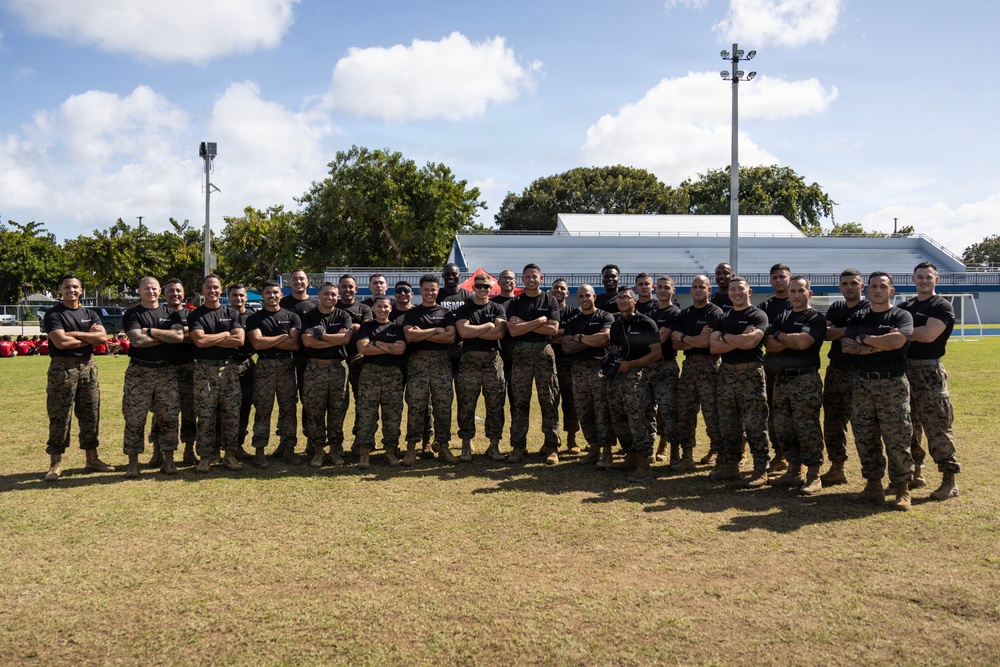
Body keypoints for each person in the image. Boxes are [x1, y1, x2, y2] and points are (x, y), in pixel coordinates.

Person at [842, 271, 915, 510]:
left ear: (891, 291)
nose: (877, 290)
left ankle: (902, 489)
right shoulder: (859, 316)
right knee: (865, 437)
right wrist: (880, 342)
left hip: (892, 384)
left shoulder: (901, 315)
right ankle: (873, 487)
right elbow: (847, 347)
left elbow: (897, 343)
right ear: (867, 290)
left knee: (897, 437)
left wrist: (864, 338)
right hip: (863, 384)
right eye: (872, 286)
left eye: (882, 286)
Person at [41, 273, 115, 481]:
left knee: (91, 414)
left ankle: (92, 459)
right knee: (59, 415)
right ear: (61, 290)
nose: (71, 290)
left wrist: (73, 334)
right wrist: (87, 338)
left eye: (75, 287)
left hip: (88, 367)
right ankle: (55, 463)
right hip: (62, 369)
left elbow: (102, 338)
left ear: (81, 290)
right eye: (67, 287)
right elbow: (61, 343)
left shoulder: (90, 314)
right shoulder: (54, 315)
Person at [898, 262, 961, 500]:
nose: (924, 281)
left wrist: (900, 332)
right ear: (913, 280)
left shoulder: (940, 305)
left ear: (937, 280)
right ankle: (917, 471)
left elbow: (928, 335)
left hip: (928, 373)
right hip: (904, 372)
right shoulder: (906, 306)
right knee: (908, 426)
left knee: (937, 426)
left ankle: (949, 480)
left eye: (928, 277)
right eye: (920, 277)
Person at [764, 276, 826, 495]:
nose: (796, 295)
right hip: (782, 379)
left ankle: (814, 475)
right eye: (793, 291)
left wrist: (780, 335)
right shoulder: (783, 315)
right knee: (783, 426)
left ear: (809, 293)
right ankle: (793, 469)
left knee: (807, 428)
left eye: (801, 290)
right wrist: (786, 339)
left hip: (805, 380)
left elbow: (802, 343)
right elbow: (770, 346)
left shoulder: (815, 317)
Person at [709, 276, 770, 487]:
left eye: (740, 289)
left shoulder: (758, 315)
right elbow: (713, 348)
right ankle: (732, 466)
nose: (736, 293)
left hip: (750, 374)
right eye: (732, 289)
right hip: (726, 374)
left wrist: (725, 337)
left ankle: (761, 469)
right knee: (729, 424)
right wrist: (736, 338)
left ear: (749, 292)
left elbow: (752, 342)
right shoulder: (723, 317)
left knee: (755, 424)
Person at [121, 277, 184, 478]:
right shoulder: (132, 314)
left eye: (154, 288)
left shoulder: (171, 313)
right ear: (139, 290)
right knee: (134, 418)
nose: (151, 291)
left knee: (169, 417)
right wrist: (166, 337)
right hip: (139, 373)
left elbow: (179, 337)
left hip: (166, 372)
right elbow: (137, 341)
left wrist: (149, 331)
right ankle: (133, 462)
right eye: (146, 288)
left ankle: (169, 460)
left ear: (160, 291)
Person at [188, 274, 246, 474]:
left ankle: (229, 455)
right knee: (205, 414)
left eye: (216, 287)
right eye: (209, 287)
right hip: (205, 369)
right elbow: (200, 342)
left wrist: (212, 338)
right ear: (203, 290)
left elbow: (239, 340)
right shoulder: (196, 315)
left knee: (231, 413)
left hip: (229, 369)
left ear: (221, 290)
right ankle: (205, 457)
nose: (213, 291)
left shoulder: (231, 313)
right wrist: (224, 334)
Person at [505, 263, 561, 464]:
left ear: (541, 278)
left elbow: (553, 329)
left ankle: (551, 446)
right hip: (521, 354)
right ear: (522, 279)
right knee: (520, 401)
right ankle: (518, 447)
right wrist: (539, 322)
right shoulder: (516, 301)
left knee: (549, 400)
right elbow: (513, 331)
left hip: (544, 353)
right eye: (527, 276)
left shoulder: (550, 300)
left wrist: (524, 325)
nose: (531, 279)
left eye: (534, 276)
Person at [605, 288, 661, 482]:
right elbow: (615, 349)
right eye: (619, 298)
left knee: (637, 419)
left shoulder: (646, 323)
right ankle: (631, 455)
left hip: (638, 375)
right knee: (618, 416)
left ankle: (645, 464)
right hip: (618, 376)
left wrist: (632, 364)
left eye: (626, 297)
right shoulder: (616, 324)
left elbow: (656, 353)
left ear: (634, 300)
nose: (622, 300)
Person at [821, 269, 870, 485]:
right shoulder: (836, 307)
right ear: (840, 287)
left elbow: (866, 337)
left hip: (860, 373)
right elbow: (826, 334)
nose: (849, 287)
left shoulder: (869, 308)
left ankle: (871, 473)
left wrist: (844, 332)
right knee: (832, 422)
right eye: (845, 283)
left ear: (862, 285)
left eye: (853, 283)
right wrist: (851, 331)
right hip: (835, 371)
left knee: (863, 424)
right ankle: (837, 467)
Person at [403, 274, 458, 462]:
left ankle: (443, 446)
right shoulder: (412, 313)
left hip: (441, 363)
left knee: (443, 407)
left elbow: (450, 337)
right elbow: (409, 336)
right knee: (416, 406)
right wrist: (436, 330)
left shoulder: (446, 313)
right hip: (418, 363)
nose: (430, 292)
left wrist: (422, 333)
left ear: (438, 290)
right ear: (420, 291)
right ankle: (411, 447)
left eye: (433, 289)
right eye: (426, 289)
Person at [671, 275, 725, 466]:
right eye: (695, 287)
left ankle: (716, 450)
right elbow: (675, 345)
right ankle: (687, 455)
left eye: (702, 286)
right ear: (690, 290)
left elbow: (707, 343)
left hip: (710, 366)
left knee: (712, 413)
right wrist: (694, 340)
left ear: (709, 290)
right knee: (685, 412)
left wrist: (685, 337)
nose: (698, 290)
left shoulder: (715, 313)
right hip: (689, 366)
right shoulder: (684, 314)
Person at [247, 281, 302, 467]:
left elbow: (295, 344)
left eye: (275, 292)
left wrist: (268, 340)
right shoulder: (254, 318)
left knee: (289, 410)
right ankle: (260, 451)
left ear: (281, 295)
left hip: (287, 365)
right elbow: (258, 345)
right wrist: (281, 337)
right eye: (268, 292)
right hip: (264, 366)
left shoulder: (292, 316)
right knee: (263, 409)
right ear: (263, 295)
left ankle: (289, 449)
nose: (272, 296)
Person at [454, 274, 508, 461]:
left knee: (495, 405)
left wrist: (475, 331)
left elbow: (500, 332)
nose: (483, 289)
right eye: (479, 286)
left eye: (486, 286)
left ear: (490, 288)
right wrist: (487, 326)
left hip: (492, 362)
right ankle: (466, 445)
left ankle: (494, 446)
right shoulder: (464, 308)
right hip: (469, 362)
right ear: (473, 288)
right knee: (467, 405)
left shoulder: (497, 307)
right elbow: (463, 332)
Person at [300, 282, 353, 467]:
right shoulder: (310, 316)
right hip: (315, 369)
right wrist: (334, 340)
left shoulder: (343, 315)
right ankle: (319, 451)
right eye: (326, 294)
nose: (330, 297)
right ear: (319, 295)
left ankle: (334, 450)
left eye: (333, 294)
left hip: (338, 369)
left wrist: (321, 337)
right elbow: (307, 342)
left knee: (338, 411)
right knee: (315, 411)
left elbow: (345, 338)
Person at [561, 284, 614, 466]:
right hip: (579, 370)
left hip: (599, 370)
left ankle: (607, 451)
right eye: (581, 296)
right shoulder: (573, 320)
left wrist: (580, 337)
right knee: (584, 412)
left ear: (594, 297)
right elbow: (566, 347)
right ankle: (593, 448)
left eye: (588, 295)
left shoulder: (605, 316)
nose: (584, 299)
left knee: (602, 412)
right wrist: (592, 339)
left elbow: (605, 338)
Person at [355, 295, 408, 467]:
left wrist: (376, 343)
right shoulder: (366, 327)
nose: (382, 309)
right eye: (379, 306)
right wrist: (388, 348)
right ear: (373, 308)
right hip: (370, 374)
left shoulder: (397, 327)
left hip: (393, 375)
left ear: (390, 308)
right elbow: (363, 348)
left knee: (392, 415)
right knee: (366, 415)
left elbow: (400, 349)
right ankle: (364, 453)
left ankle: (390, 452)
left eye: (386, 307)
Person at [279, 268, 318, 457]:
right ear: (290, 282)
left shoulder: (316, 304)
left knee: (309, 401)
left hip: (310, 359)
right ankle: (284, 442)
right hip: (286, 358)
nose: (298, 282)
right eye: (294, 279)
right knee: (286, 402)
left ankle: (311, 439)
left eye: (301, 278)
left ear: (307, 282)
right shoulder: (282, 304)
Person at [157, 278, 197, 465]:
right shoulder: (158, 313)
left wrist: (169, 335)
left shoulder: (192, 314)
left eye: (178, 291)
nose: (175, 294)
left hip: (188, 367)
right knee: (161, 413)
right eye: (171, 291)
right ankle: (158, 452)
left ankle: (189, 450)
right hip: (163, 368)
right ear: (164, 293)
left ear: (184, 293)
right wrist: (179, 335)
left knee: (189, 411)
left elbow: (198, 337)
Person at [758, 263, 793, 472]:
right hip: (771, 366)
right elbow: (765, 341)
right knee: (773, 412)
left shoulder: (799, 304)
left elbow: (806, 340)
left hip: (798, 365)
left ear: (790, 278)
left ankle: (798, 460)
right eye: (775, 277)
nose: (779, 280)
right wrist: (791, 339)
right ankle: (779, 455)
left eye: (782, 276)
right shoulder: (764, 308)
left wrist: (781, 338)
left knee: (794, 413)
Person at [648, 276, 683, 467]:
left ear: (673, 290)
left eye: (666, 287)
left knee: (669, 411)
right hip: (648, 366)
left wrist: (646, 337)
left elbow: (662, 339)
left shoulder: (674, 313)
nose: (662, 290)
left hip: (666, 366)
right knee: (649, 410)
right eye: (659, 287)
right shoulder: (651, 312)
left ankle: (672, 450)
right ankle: (651, 448)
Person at [337, 274, 373, 451]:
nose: (347, 290)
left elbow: (366, 330)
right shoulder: (332, 306)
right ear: (339, 289)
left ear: (356, 289)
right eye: (344, 286)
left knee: (363, 400)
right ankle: (335, 443)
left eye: (350, 287)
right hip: (337, 359)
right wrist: (354, 328)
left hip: (359, 358)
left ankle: (361, 439)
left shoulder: (364, 308)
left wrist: (344, 329)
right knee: (338, 402)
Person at [550, 278, 581, 455]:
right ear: (551, 291)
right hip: (548, 362)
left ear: (567, 293)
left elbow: (573, 336)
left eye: (563, 288)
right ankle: (551, 440)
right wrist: (564, 334)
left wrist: (553, 333)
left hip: (569, 363)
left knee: (571, 402)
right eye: (556, 288)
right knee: (550, 403)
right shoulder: (546, 311)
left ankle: (572, 438)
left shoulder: (574, 313)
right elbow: (544, 335)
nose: (559, 290)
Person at [227, 284, 256, 460]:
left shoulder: (252, 317)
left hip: (246, 364)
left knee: (244, 405)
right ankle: (216, 446)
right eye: (234, 295)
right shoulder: (223, 314)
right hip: (225, 364)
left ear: (246, 297)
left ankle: (238, 445)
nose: (238, 298)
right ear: (228, 297)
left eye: (241, 295)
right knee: (221, 406)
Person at [491, 269, 518, 408]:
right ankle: (497, 430)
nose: (507, 281)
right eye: (504, 278)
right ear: (498, 281)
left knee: (517, 396)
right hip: (497, 352)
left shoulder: (521, 302)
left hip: (517, 353)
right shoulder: (491, 304)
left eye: (510, 278)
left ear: (516, 282)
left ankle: (516, 429)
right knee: (496, 395)